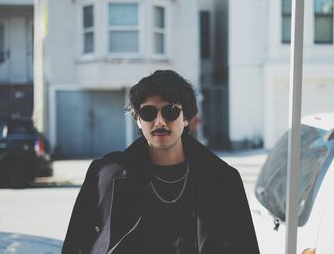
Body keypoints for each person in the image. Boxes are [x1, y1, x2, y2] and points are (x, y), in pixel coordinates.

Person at [62, 70, 259, 254]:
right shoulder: (105, 175)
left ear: (186, 118)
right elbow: (75, 245)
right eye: (148, 113)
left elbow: (245, 247)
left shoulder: (223, 179)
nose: (159, 122)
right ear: (138, 120)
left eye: (170, 111)